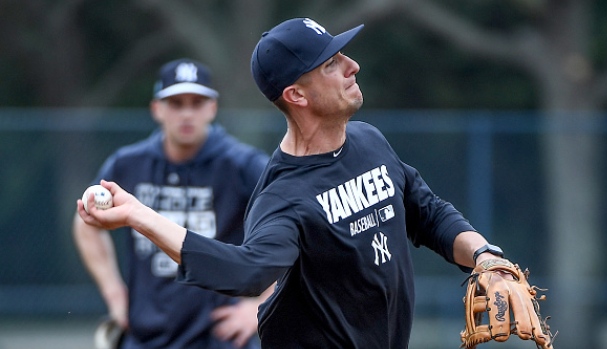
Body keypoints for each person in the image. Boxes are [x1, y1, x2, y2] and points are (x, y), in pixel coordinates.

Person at [77, 19, 509, 348]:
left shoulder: (370, 142)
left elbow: (426, 212)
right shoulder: (284, 196)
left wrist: (485, 257)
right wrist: (138, 215)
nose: (351, 66)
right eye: (331, 63)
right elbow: (247, 271)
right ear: (297, 95)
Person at [73, 58, 272, 349]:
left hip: (219, 338)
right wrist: (115, 293)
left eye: (197, 102)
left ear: (212, 108)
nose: (187, 113)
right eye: (176, 103)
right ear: (157, 109)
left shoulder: (244, 166)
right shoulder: (128, 165)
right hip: (146, 336)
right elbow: (85, 224)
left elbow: (296, 235)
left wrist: (260, 306)